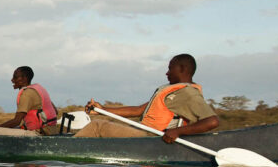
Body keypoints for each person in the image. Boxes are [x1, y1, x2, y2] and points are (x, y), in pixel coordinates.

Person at [76, 54, 219, 142]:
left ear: (182, 69)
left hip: (149, 137)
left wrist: (177, 132)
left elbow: (212, 121)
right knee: (100, 123)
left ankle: (61, 150)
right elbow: (138, 110)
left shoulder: (187, 93)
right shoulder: (171, 92)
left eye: (170, 68)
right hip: (142, 133)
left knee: (97, 126)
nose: (166, 73)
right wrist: (102, 109)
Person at [0, 66, 58, 136]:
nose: (12, 80)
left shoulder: (26, 94)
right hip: (52, 130)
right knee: (13, 128)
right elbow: (55, 112)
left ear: (24, 79)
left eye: (15, 77)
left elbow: (16, 121)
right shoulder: (38, 89)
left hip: (40, 133)